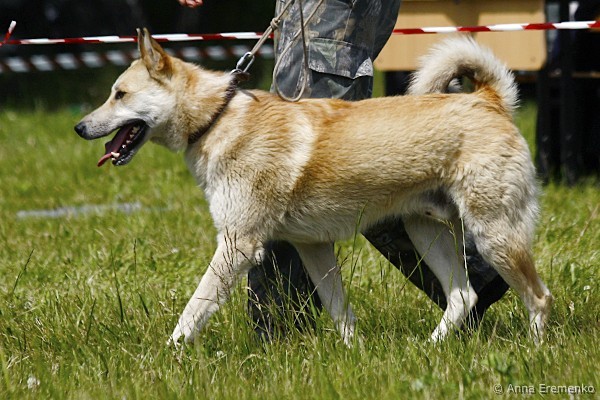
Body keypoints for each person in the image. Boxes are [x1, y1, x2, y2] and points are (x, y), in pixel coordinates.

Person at [178, 0, 509, 339]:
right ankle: (471, 281)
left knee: (306, 182)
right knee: (347, 183)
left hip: (328, 15)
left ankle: (281, 330)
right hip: (314, 17)